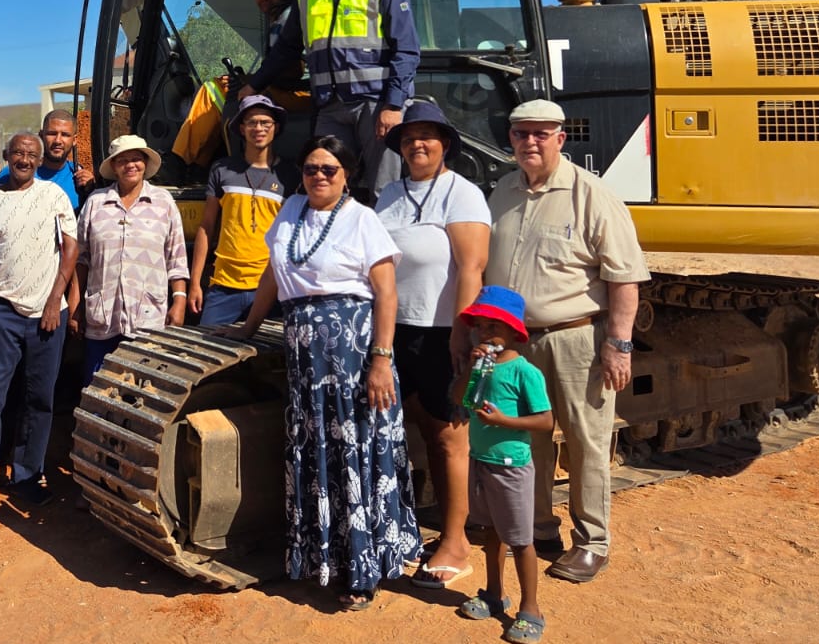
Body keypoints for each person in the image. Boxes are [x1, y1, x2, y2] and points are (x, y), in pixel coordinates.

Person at [234, 135, 423, 611]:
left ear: (346, 175)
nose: (319, 176)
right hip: (305, 353)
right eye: (311, 168)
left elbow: (386, 293)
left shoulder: (362, 219)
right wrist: (247, 329)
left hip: (352, 352)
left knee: (354, 450)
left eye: (329, 169)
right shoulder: (291, 210)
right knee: (318, 449)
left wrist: (381, 359)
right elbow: (273, 275)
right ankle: (324, 560)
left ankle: (364, 569)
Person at [485, 99, 650, 584]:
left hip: (576, 339)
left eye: (541, 133)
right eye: (521, 133)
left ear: (561, 138)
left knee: (586, 442)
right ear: (510, 139)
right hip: (516, 344)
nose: (530, 142)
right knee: (527, 438)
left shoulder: (591, 194)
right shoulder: (502, 191)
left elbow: (625, 277)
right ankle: (538, 529)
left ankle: (593, 543)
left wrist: (619, 344)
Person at [373, 98, 490, 590]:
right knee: (409, 429)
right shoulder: (388, 194)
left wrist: (462, 334)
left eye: (426, 136)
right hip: (394, 331)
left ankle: (456, 543)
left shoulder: (462, 194)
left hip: (442, 331)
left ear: (445, 144)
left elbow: (471, 268)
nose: (416, 144)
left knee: (448, 438)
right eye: (408, 138)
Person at [241, 0, 420, 201]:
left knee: (383, 191)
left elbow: (407, 49)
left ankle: (383, 234)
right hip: (331, 107)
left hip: (375, 104)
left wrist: (393, 105)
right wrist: (254, 84)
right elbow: (287, 47)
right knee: (323, 184)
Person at [0, 132, 79, 518]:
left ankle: (27, 476)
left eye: (31, 154)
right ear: (7, 156)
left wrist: (55, 300)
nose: (24, 159)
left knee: (39, 399)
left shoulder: (53, 195)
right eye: (18, 153)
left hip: (48, 315)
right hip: (3, 314)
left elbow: (71, 248)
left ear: (39, 161)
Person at [453, 286, 553, 644]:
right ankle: (494, 593)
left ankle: (531, 610)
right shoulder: (481, 367)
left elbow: (545, 421)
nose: (483, 334)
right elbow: (459, 399)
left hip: (511, 466)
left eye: (492, 327)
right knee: (491, 531)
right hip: (481, 461)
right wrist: (470, 368)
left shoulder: (525, 372)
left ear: (513, 331)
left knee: (521, 540)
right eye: (479, 327)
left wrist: (503, 422)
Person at [74, 134, 190, 384]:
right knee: (98, 387)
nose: (130, 165)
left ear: (145, 163)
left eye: (136, 159)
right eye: (122, 160)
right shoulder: (96, 202)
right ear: (114, 167)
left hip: (147, 316)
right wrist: (76, 308)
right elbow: (81, 259)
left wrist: (179, 300)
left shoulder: (163, 202)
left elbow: (176, 256)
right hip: (103, 317)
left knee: (145, 389)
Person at [186, 94, 301, 325]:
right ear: (241, 128)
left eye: (265, 122)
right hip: (223, 287)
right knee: (208, 344)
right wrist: (195, 282)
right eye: (252, 122)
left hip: (270, 287)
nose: (258, 128)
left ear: (276, 127)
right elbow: (207, 227)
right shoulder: (222, 169)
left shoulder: (289, 175)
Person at [173, 0, 301, 167]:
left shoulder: (288, 19)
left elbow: (289, 68)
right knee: (227, 92)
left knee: (214, 89)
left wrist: (253, 83)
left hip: (298, 93)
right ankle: (198, 165)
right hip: (292, 89)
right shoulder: (283, 18)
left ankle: (179, 160)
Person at [37, 109, 96, 211]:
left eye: (65, 135)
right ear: (41, 136)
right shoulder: (17, 174)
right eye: (52, 133)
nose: (58, 141)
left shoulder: (79, 176)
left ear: (74, 140)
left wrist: (91, 191)